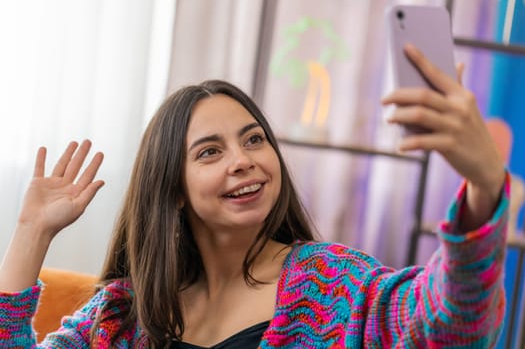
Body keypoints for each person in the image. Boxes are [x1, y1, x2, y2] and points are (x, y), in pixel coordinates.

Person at [0, 44, 508, 348]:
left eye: (253, 138)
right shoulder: (122, 315)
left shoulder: (334, 286)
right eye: (209, 152)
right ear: (173, 191)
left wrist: (484, 188)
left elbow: (454, 326)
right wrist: (30, 233)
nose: (242, 159)